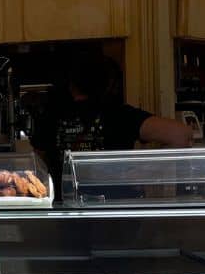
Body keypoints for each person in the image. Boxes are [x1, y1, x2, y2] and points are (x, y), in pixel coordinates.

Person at [34, 51, 193, 196]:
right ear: (108, 85)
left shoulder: (51, 117)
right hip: (117, 214)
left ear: (71, 85)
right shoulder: (120, 115)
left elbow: (38, 159)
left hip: (68, 213)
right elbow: (181, 135)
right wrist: (141, 172)